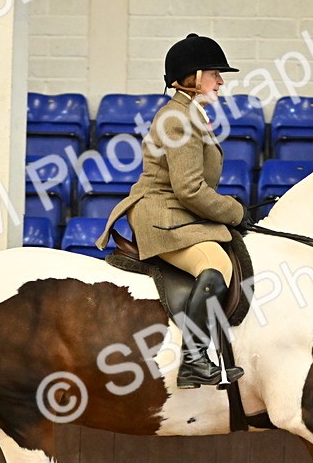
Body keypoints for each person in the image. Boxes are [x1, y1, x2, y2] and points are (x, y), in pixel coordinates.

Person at [96, 33, 251, 389]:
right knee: (216, 266)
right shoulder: (177, 119)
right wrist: (234, 211)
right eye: (215, 74)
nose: (221, 81)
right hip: (162, 214)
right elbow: (190, 189)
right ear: (194, 78)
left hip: (179, 211)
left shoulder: (191, 114)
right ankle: (195, 359)